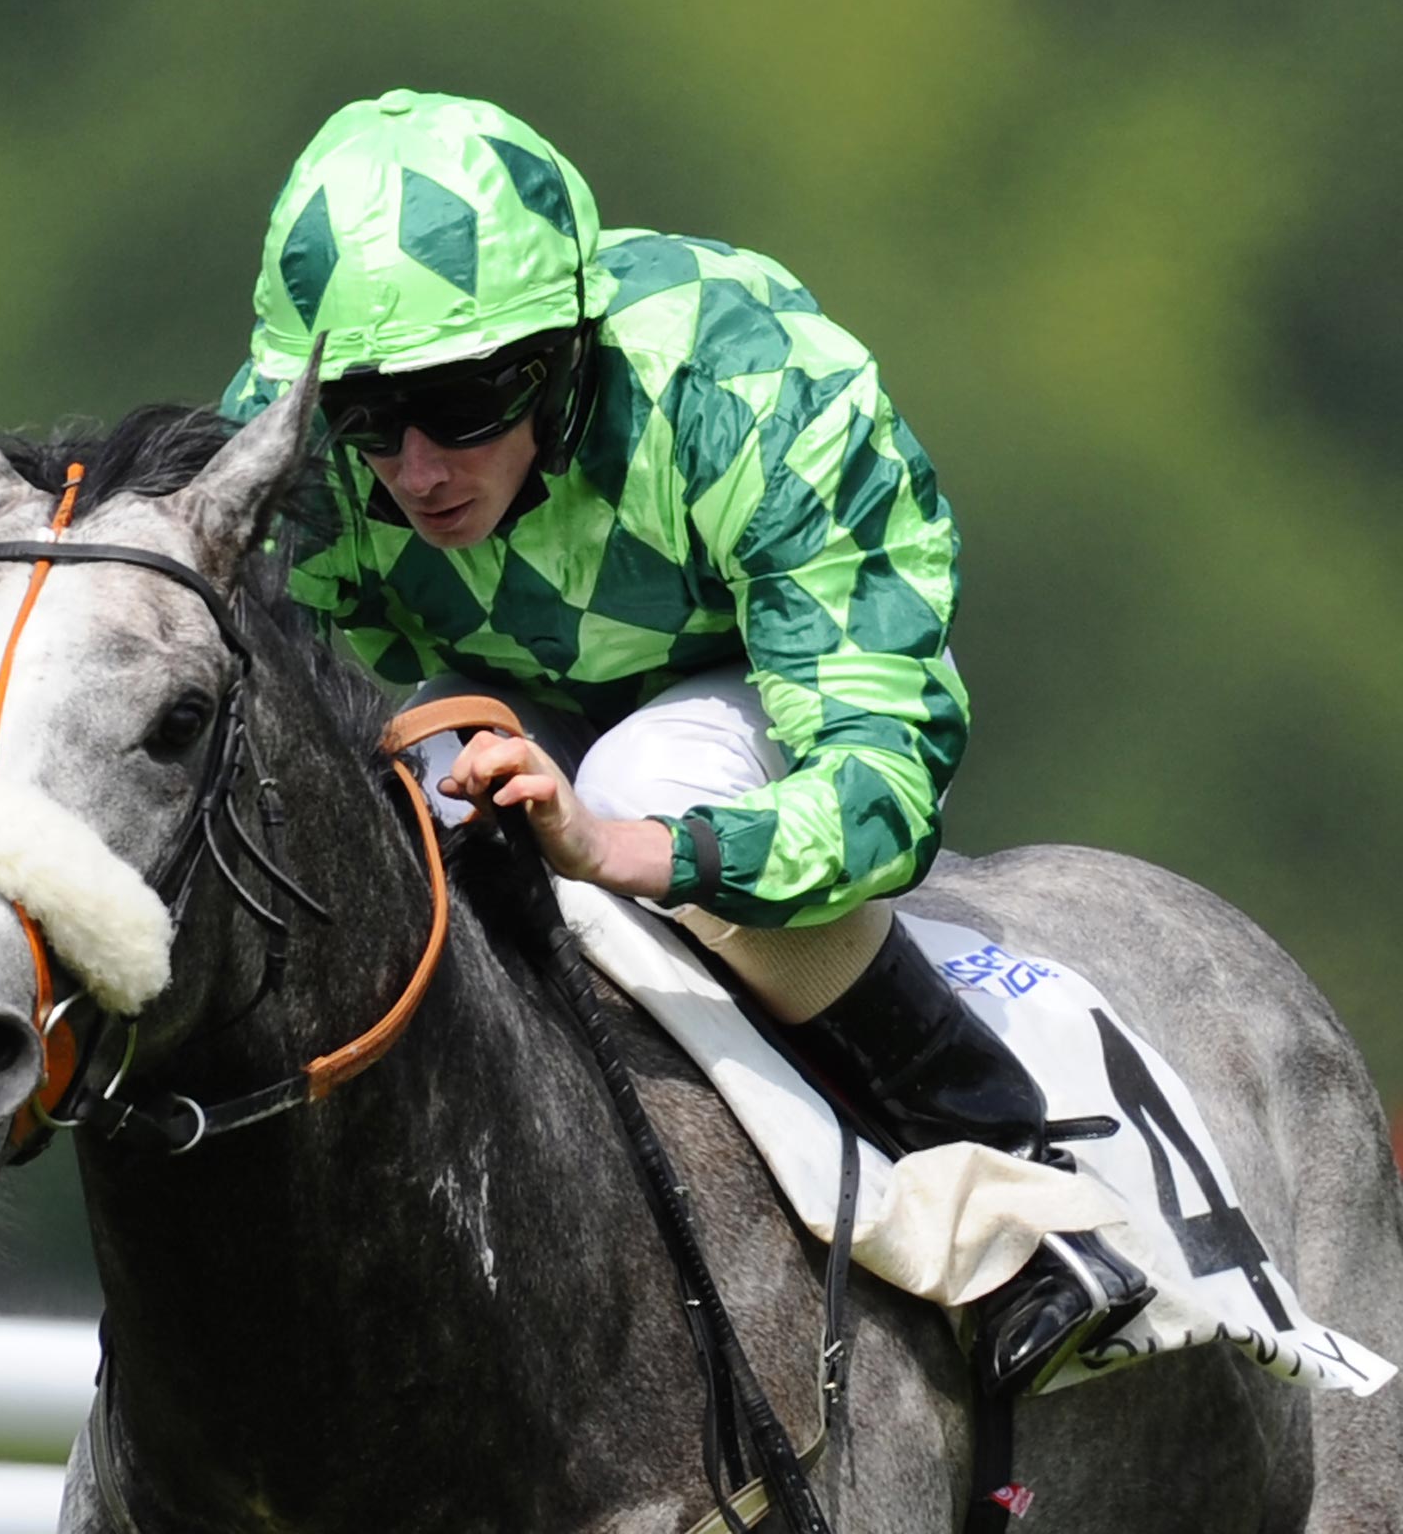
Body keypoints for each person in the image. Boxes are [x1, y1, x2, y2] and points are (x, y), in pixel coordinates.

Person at [221, 88, 1147, 1398]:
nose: (415, 469)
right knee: (401, 813)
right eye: (371, 414)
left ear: (562, 354)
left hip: (763, 681)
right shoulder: (313, 453)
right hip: (498, 695)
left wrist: (609, 843)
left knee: (640, 774)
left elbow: (881, 796)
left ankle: (1010, 1183)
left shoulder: (756, 396)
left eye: (463, 399)